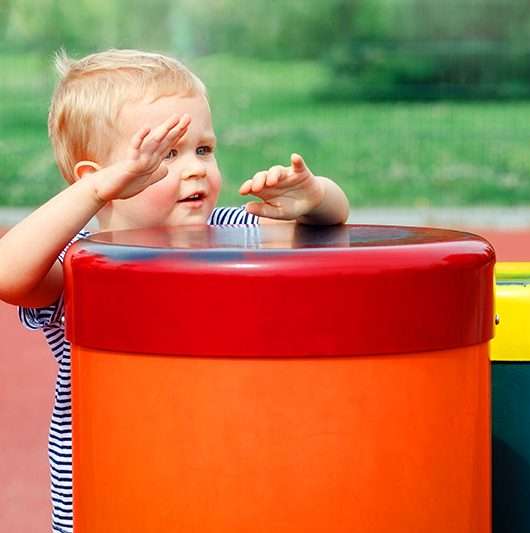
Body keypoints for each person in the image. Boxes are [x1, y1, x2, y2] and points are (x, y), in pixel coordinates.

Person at [0, 48, 349, 533]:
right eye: (164, 155)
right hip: (109, 485)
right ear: (97, 177)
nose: (195, 168)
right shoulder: (83, 259)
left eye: (203, 149)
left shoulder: (227, 231)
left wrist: (316, 197)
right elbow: (8, 275)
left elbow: (326, 233)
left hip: (213, 469)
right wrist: (97, 192)